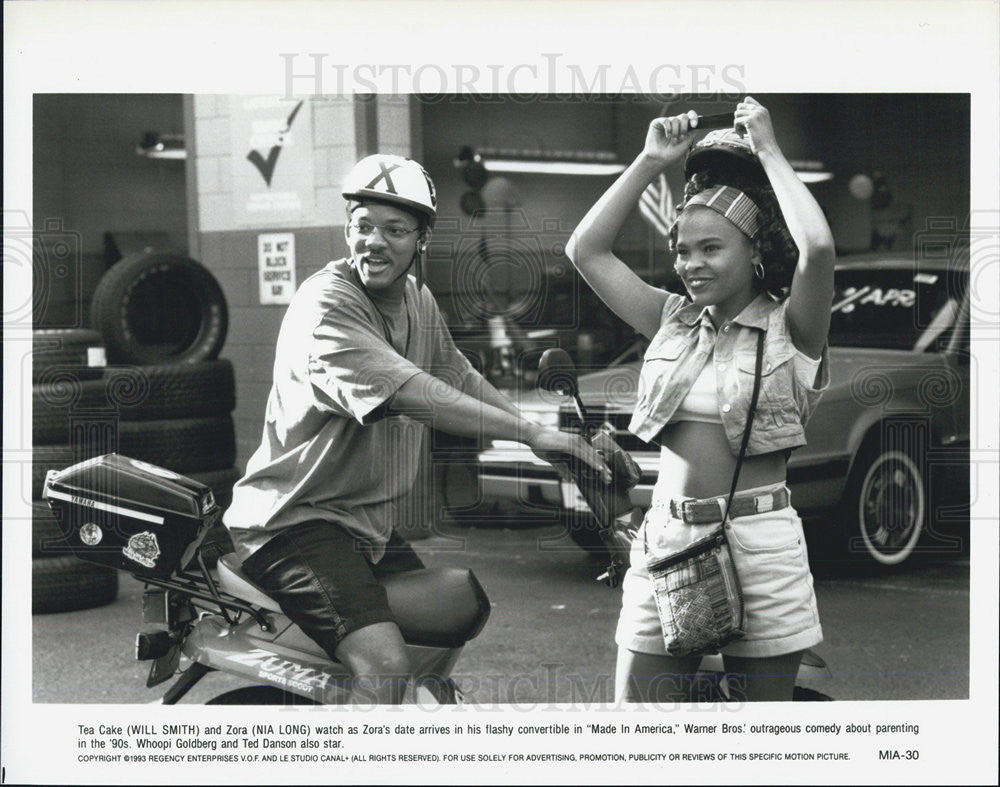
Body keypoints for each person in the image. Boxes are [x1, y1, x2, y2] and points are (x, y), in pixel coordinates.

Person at [223, 153, 609, 704]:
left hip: (362, 525)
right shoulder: (326, 308)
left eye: (394, 229)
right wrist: (532, 436)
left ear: (421, 239)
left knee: (439, 636)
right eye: (362, 226)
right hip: (295, 522)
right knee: (385, 667)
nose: (374, 242)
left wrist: (535, 432)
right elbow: (414, 393)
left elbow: (454, 372)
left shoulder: (415, 297)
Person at [566, 97, 836, 702]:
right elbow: (585, 251)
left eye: (711, 249)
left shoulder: (794, 328)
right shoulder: (671, 318)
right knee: (641, 731)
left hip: (761, 543)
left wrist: (768, 150)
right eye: (682, 251)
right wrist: (648, 160)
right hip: (665, 539)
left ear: (754, 252)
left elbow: (817, 250)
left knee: (759, 743)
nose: (691, 265)